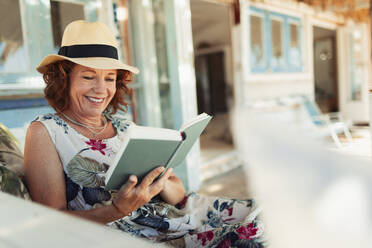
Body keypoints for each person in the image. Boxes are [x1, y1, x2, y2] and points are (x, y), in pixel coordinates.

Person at [24, 20, 265, 247]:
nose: (101, 89)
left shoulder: (125, 128)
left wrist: (159, 181)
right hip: (136, 235)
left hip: (178, 216)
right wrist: (116, 210)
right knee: (256, 237)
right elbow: (52, 222)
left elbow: (178, 194)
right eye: (88, 77)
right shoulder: (46, 131)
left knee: (273, 214)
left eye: (109, 78)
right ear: (64, 80)